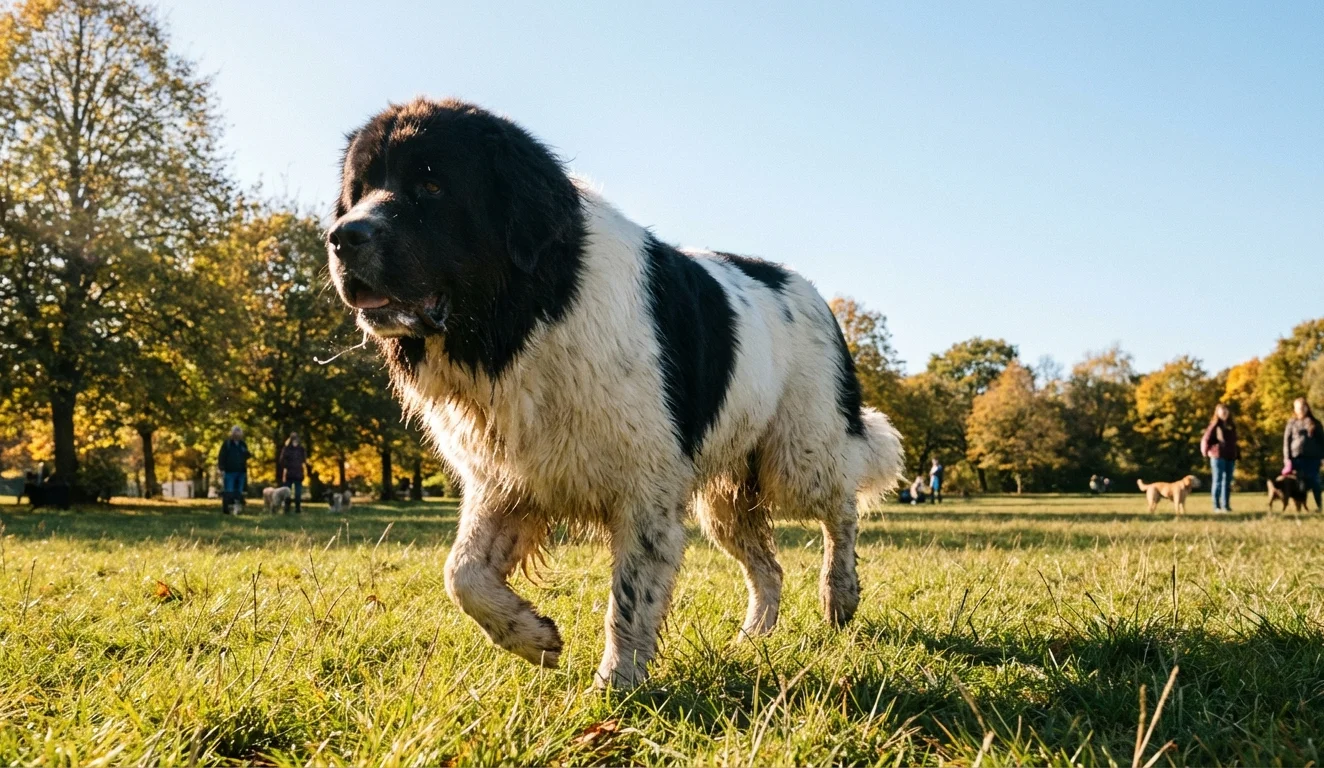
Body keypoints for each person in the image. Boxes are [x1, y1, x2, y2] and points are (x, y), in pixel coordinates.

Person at [1284, 398, 1324, 511]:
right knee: (1300, 485)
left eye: (1302, 407)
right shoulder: (1291, 423)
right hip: (1296, 458)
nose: (1300, 410)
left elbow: (1322, 441)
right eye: (1298, 408)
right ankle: (1300, 507)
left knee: (1315, 482)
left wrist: (1322, 457)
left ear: (1307, 408)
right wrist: (1287, 458)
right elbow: (1286, 441)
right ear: (1295, 409)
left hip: (1313, 459)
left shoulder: (1315, 423)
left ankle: (1319, 506)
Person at [1200, 402, 1239, 513]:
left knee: (1227, 482)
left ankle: (1226, 506)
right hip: (1217, 456)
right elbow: (1206, 439)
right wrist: (1206, 451)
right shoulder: (1215, 425)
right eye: (1222, 410)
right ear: (1217, 412)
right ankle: (1216, 506)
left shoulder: (1232, 425)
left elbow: (1234, 442)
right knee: (1218, 481)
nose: (1225, 412)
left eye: (1226, 410)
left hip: (1230, 456)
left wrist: (1237, 453)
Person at [217, 426, 251, 502]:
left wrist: (246, 454)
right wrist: (221, 468)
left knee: (239, 491)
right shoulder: (227, 444)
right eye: (235, 434)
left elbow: (247, 455)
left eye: (239, 434)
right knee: (229, 490)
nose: (237, 436)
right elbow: (221, 456)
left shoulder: (243, 444)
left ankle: (237, 506)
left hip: (241, 470)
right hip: (229, 470)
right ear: (232, 434)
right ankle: (228, 505)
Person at [278, 432, 308, 514]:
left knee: (297, 493)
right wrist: (287, 467)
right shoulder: (287, 449)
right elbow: (282, 461)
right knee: (288, 492)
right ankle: (287, 508)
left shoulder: (300, 449)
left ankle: (297, 508)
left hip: (297, 474)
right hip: (290, 473)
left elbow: (304, 460)